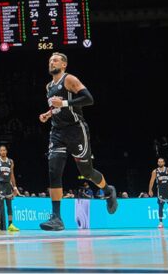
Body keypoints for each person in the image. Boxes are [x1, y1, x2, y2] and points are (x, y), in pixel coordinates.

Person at [38, 53, 118, 231]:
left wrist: (65, 103)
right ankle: (57, 218)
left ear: (64, 64)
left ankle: (107, 190)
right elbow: (56, 106)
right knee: (54, 170)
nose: (52, 62)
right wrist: (48, 113)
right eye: (50, 60)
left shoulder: (69, 79)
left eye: (56, 60)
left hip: (76, 130)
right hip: (57, 132)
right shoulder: (49, 86)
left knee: (87, 172)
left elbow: (89, 99)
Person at [0, 145, 20, 232]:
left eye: (4, 150)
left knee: (9, 206)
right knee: (0, 206)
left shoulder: (10, 161)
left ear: (6, 151)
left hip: (8, 185)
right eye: (1, 150)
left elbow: (12, 175)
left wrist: (14, 187)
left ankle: (10, 224)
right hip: (0, 185)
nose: (3, 152)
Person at [148, 157, 168, 228]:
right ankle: (160, 222)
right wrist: (150, 190)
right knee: (160, 206)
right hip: (160, 191)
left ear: (164, 163)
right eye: (159, 162)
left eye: (161, 162)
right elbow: (152, 181)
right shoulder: (155, 171)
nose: (160, 163)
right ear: (157, 163)